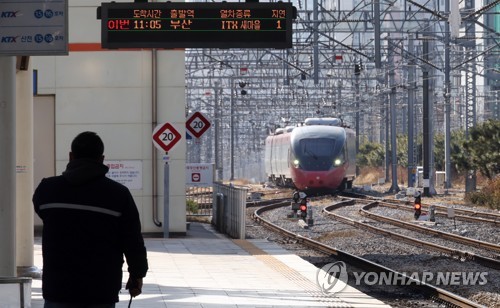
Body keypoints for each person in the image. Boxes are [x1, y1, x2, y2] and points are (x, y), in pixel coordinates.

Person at [33, 131, 148, 308]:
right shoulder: (118, 195)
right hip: (101, 291)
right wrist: (137, 275)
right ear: (102, 159)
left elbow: (43, 212)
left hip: (58, 288)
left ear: (71, 156)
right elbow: (132, 241)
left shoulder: (47, 190)